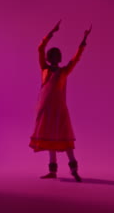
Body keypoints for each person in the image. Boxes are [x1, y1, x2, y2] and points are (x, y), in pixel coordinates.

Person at [29, 20, 92, 183]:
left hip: (59, 110)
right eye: (52, 55)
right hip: (45, 109)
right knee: (50, 139)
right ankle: (53, 171)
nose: (55, 58)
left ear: (60, 57)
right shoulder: (44, 68)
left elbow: (75, 60)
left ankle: (74, 170)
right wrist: (51, 33)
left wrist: (83, 43)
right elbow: (40, 49)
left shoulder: (64, 71)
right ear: (49, 58)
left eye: (57, 55)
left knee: (65, 138)